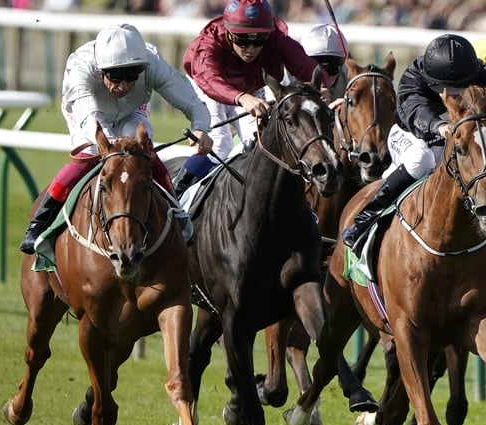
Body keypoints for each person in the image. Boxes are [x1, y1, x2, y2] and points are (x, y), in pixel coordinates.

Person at [19, 23, 213, 254]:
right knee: (90, 153)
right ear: (101, 70)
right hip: (87, 113)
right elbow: (90, 118)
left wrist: (201, 129)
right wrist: (113, 146)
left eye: (132, 77)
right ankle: (39, 222)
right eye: (116, 77)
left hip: (132, 111)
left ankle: (176, 210)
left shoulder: (152, 63)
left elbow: (192, 102)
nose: (124, 86)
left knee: (143, 153)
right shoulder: (82, 67)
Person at [341, 33, 486, 252]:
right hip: (411, 135)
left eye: (461, 88)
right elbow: (414, 109)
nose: (456, 95)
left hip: (456, 137)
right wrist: (438, 126)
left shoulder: (478, 70)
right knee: (422, 160)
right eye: (449, 89)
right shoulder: (414, 76)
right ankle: (365, 219)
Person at [172, 0, 327, 196]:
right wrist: (241, 97)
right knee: (220, 145)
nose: (251, 49)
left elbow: (305, 65)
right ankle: (178, 197)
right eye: (242, 41)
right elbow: (208, 79)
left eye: (259, 40)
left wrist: (322, 85)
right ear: (228, 33)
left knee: (259, 145)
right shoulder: (209, 43)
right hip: (208, 87)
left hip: (249, 88)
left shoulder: (277, 39)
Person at [299, 23, 349, 103]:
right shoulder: (286, 80)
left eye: (332, 69)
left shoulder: (350, 83)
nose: (324, 77)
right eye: (315, 69)